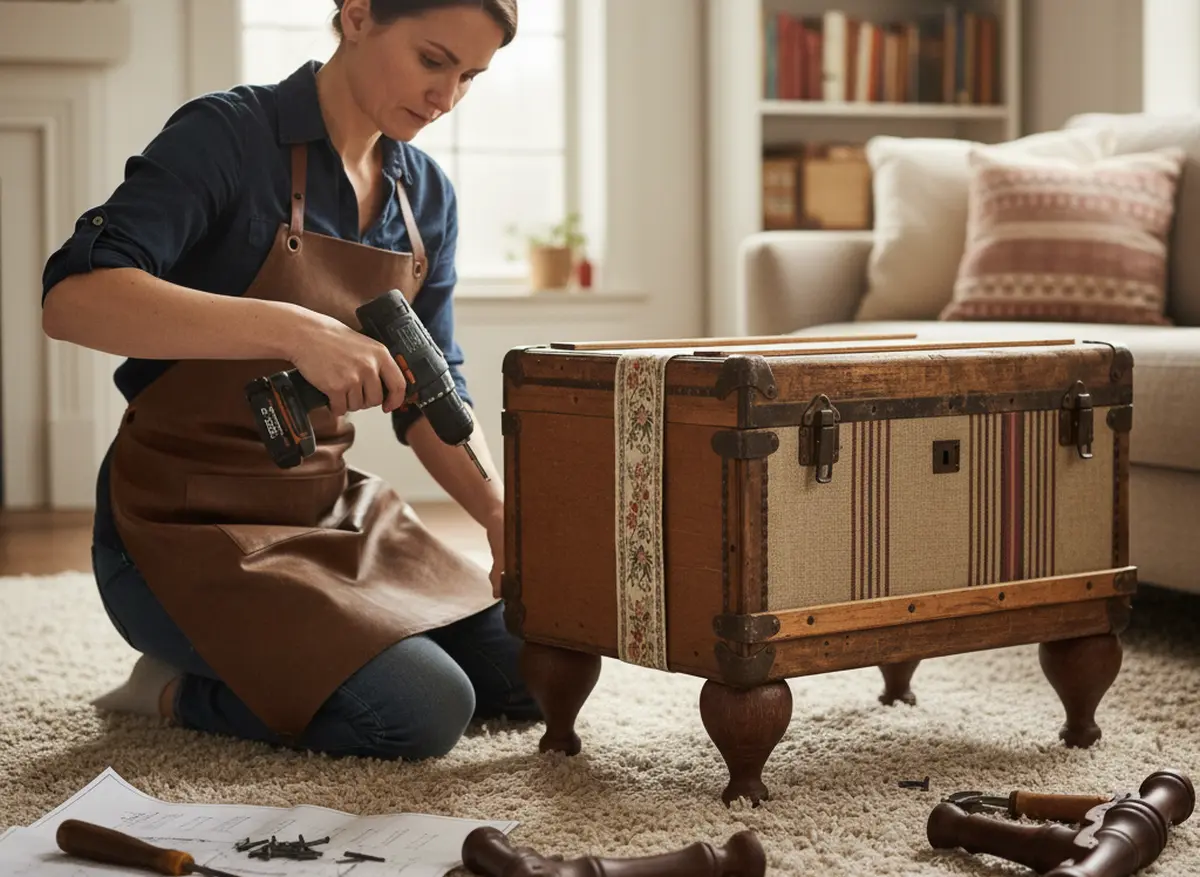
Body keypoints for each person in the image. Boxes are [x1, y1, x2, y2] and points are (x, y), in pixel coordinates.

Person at [40, 0, 541, 760]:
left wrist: (500, 516)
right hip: (180, 525)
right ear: (359, 14)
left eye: (471, 76)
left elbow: (436, 396)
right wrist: (295, 329)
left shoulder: (425, 198)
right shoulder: (228, 136)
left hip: (327, 509)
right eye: (433, 61)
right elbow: (72, 299)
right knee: (422, 710)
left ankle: (302, 648)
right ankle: (172, 688)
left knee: (537, 663)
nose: (448, 98)